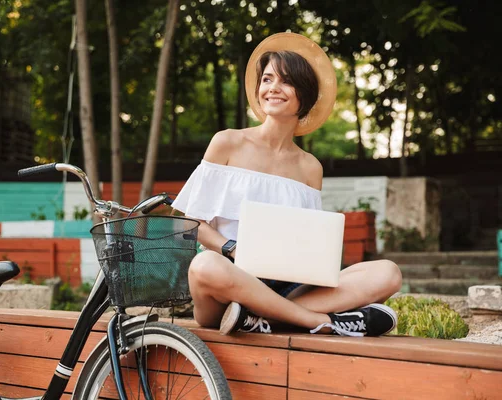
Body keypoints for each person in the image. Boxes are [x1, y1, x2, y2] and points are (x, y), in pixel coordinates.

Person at [171, 33, 402, 337]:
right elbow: (186, 220)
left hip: (287, 285)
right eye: (267, 79)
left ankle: (265, 319)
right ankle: (322, 321)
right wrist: (232, 249)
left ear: (303, 96)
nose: (273, 88)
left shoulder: (310, 167)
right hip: (226, 286)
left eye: (286, 81)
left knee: (388, 273)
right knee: (204, 265)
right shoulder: (227, 142)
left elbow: (311, 240)